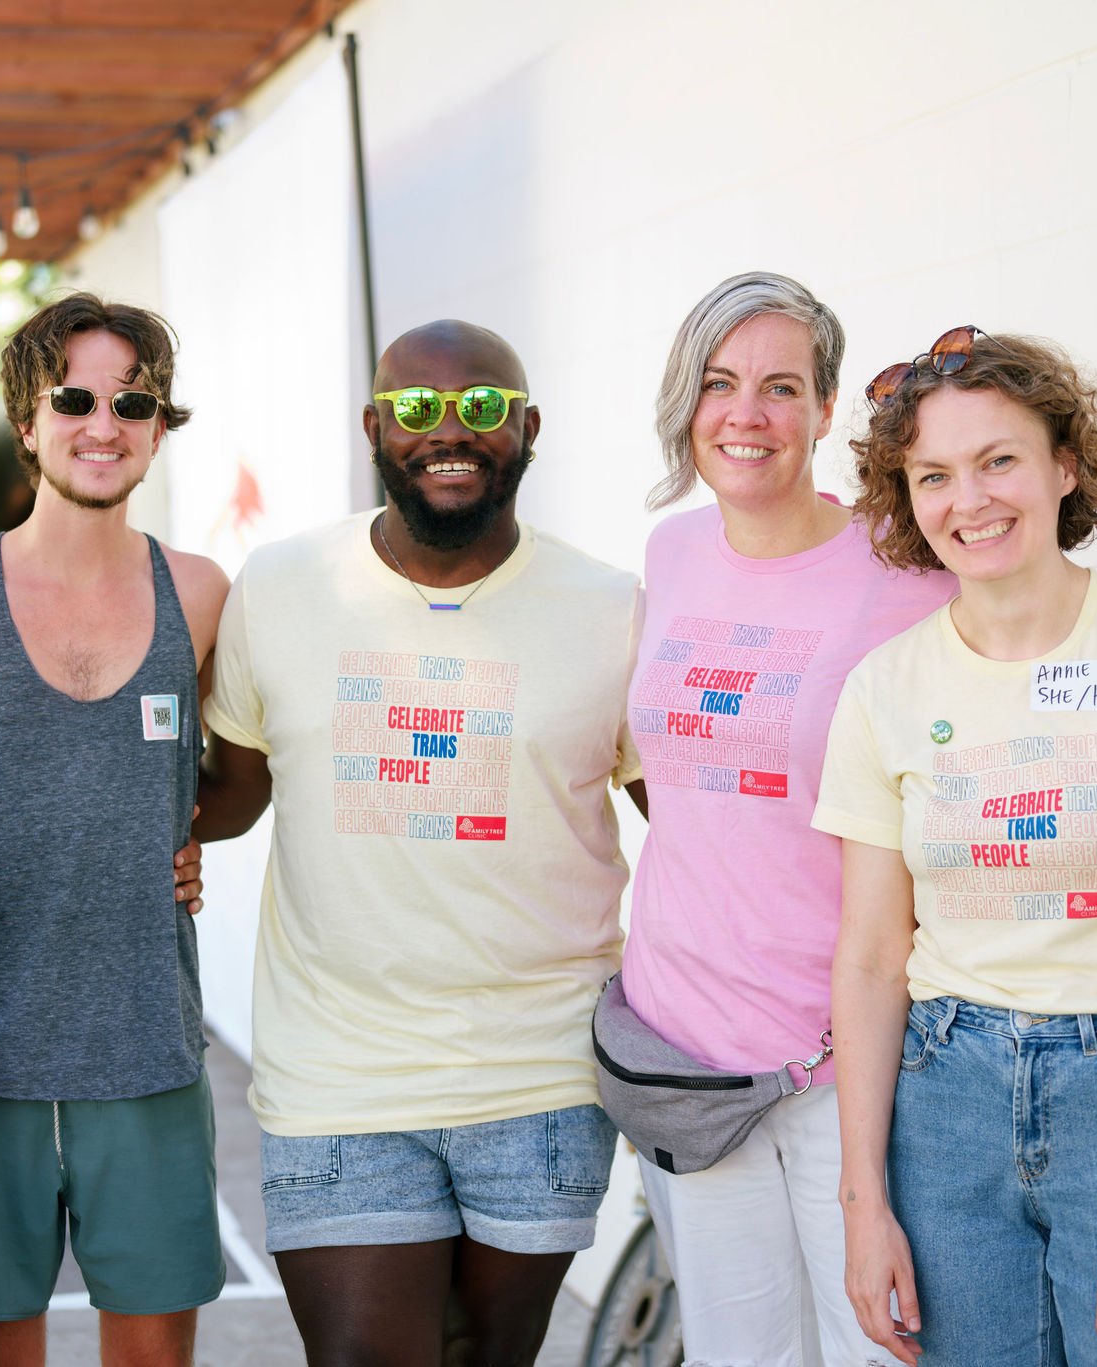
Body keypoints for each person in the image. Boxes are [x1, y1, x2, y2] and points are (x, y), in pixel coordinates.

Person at [815, 328, 1097, 1365]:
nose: (966, 499)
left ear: (1064, 464)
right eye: (932, 474)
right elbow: (869, 954)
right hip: (944, 1096)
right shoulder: (882, 687)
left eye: (997, 459)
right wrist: (861, 1201)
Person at [197, 320, 644, 1366]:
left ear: (527, 428)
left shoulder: (611, 608)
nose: (450, 428)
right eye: (415, 409)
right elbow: (230, 796)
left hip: (538, 1070)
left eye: (483, 407)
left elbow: (693, 814)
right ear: (372, 429)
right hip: (339, 1071)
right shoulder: (281, 584)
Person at [617, 273, 954, 1365]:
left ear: (822, 405)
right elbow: (665, 773)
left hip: (838, 1060)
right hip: (686, 1058)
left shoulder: (907, 569)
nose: (745, 414)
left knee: (878, 1349)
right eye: (718, 383)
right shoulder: (669, 555)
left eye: (778, 386)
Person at [0, 293, 227, 1367]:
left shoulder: (202, 591)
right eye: (73, 397)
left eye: (133, 401)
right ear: (26, 421)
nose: (103, 423)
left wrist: (191, 833)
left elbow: (238, 770)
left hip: (148, 1041)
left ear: (159, 426)